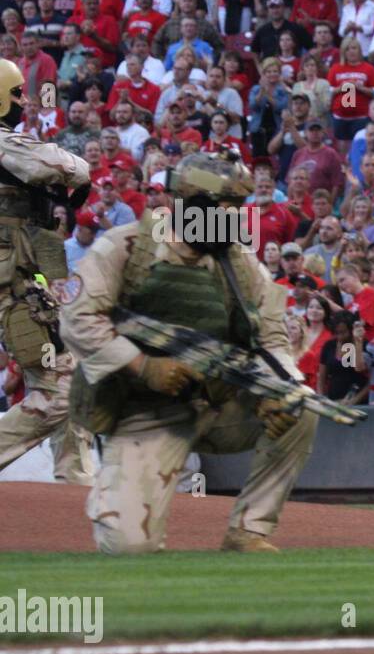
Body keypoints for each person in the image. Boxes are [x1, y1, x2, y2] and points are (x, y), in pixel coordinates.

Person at [60, 152, 319, 554]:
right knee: (129, 548)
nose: (238, 219)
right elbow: (77, 319)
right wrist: (142, 364)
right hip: (145, 412)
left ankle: (248, 531)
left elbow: (271, 337)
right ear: (197, 204)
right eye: (230, 209)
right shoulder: (127, 247)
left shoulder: (239, 260)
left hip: (218, 403)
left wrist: (278, 388)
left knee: (300, 405)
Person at [0, 57, 94, 484]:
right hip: (14, 292)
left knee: (74, 382)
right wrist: (77, 173)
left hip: (33, 286)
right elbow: (59, 165)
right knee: (59, 392)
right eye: (18, 92)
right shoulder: (4, 143)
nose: (24, 100)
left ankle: (73, 489)